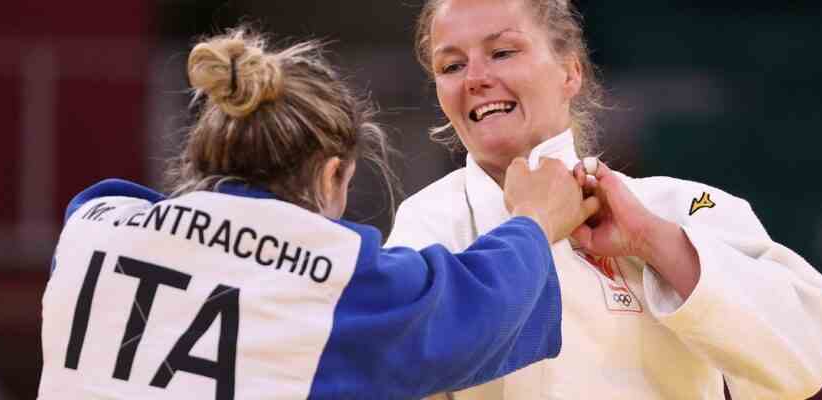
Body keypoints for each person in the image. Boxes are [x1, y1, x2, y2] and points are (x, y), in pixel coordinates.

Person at [37, 26, 601, 400]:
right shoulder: (326, 279)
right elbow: (474, 306)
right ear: (333, 175)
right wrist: (533, 220)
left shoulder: (96, 221)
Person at [386, 0, 822, 399]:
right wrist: (530, 226)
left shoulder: (684, 204)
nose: (476, 78)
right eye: (451, 66)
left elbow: (804, 357)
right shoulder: (429, 221)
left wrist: (652, 240)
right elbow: (390, 371)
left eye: (502, 52)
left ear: (570, 72)